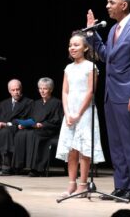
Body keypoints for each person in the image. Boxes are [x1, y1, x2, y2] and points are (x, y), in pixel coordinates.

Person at [86, 0, 130, 202]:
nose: (107, 5)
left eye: (111, 2)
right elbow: (106, 56)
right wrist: (92, 34)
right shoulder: (113, 29)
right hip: (110, 95)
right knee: (116, 144)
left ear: (124, 5)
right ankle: (121, 186)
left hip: (128, 94)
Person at [55, 32, 105, 198]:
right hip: (70, 113)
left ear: (85, 47)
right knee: (71, 149)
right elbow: (64, 91)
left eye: (76, 45)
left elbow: (91, 91)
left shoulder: (90, 66)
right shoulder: (68, 68)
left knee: (83, 149)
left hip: (85, 112)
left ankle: (83, 185)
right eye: (70, 45)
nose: (72, 48)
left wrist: (78, 114)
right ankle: (72, 184)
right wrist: (68, 112)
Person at [12, 77, 63, 177]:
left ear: (51, 89)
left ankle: (36, 168)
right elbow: (31, 118)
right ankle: (19, 166)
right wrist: (25, 124)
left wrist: (43, 124)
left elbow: (57, 120)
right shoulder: (36, 103)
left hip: (49, 130)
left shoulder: (57, 103)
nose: (42, 91)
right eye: (40, 88)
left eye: (45, 88)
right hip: (35, 127)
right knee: (21, 134)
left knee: (35, 135)